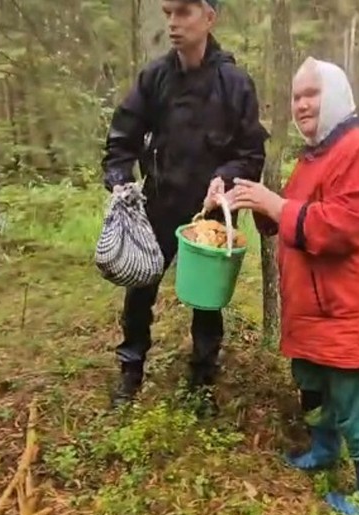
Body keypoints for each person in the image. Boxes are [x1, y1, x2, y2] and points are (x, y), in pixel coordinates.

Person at [222, 57, 359, 515]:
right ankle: (323, 451)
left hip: (349, 309)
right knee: (313, 387)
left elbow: (340, 228)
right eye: (296, 97)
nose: (301, 105)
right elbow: (290, 216)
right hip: (313, 310)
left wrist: (277, 205)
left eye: (311, 95)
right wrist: (252, 200)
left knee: (355, 403)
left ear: (337, 95)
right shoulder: (314, 155)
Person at [100, 0, 268, 415]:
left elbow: (251, 153)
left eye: (184, 13)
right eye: (169, 13)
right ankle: (131, 368)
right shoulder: (155, 77)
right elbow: (123, 136)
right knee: (140, 289)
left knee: (207, 300)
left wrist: (226, 178)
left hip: (211, 212)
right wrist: (120, 179)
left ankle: (203, 379)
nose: (173, 23)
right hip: (158, 202)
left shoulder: (234, 83)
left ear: (209, 18)